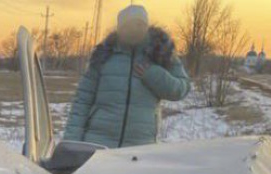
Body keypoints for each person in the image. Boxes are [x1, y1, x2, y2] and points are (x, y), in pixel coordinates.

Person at [63, 5, 190, 149]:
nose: (134, 29)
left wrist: (153, 74)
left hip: (140, 147)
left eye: (139, 24)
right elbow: (82, 101)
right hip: (97, 144)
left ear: (146, 26)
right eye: (128, 25)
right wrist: (71, 143)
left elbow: (181, 89)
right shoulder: (103, 55)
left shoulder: (162, 53)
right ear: (120, 28)